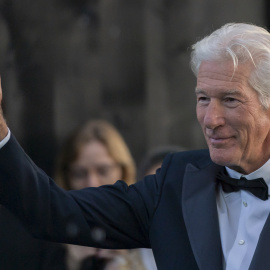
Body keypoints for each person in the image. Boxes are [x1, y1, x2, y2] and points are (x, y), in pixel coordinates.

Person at [1, 22, 270, 269]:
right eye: (203, 99)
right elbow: (52, 212)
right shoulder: (174, 183)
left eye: (231, 100)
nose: (211, 119)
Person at [49, 119, 146, 270]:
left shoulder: (143, 222)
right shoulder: (48, 230)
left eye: (103, 171)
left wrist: (130, 261)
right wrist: (70, 262)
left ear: (123, 170)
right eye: (80, 174)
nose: (92, 184)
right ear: (67, 177)